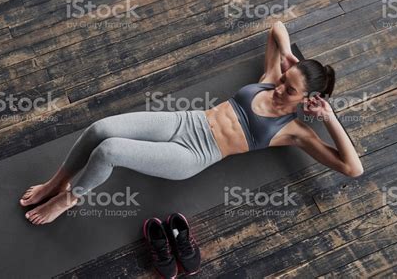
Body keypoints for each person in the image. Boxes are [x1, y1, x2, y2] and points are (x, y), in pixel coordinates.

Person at [20, 20, 363, 225]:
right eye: (284, 79)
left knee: (109, 150)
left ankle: (71, 197)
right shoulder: (273, 77)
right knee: (99, 129)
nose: (278, 89)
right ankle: (57, 181)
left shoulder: (294, 131)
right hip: (185, 121)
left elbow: (352, 168)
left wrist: (330, 119)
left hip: (194, 154)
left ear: (305, 102)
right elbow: (277, 27)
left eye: (289, 91)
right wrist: (288, 55)